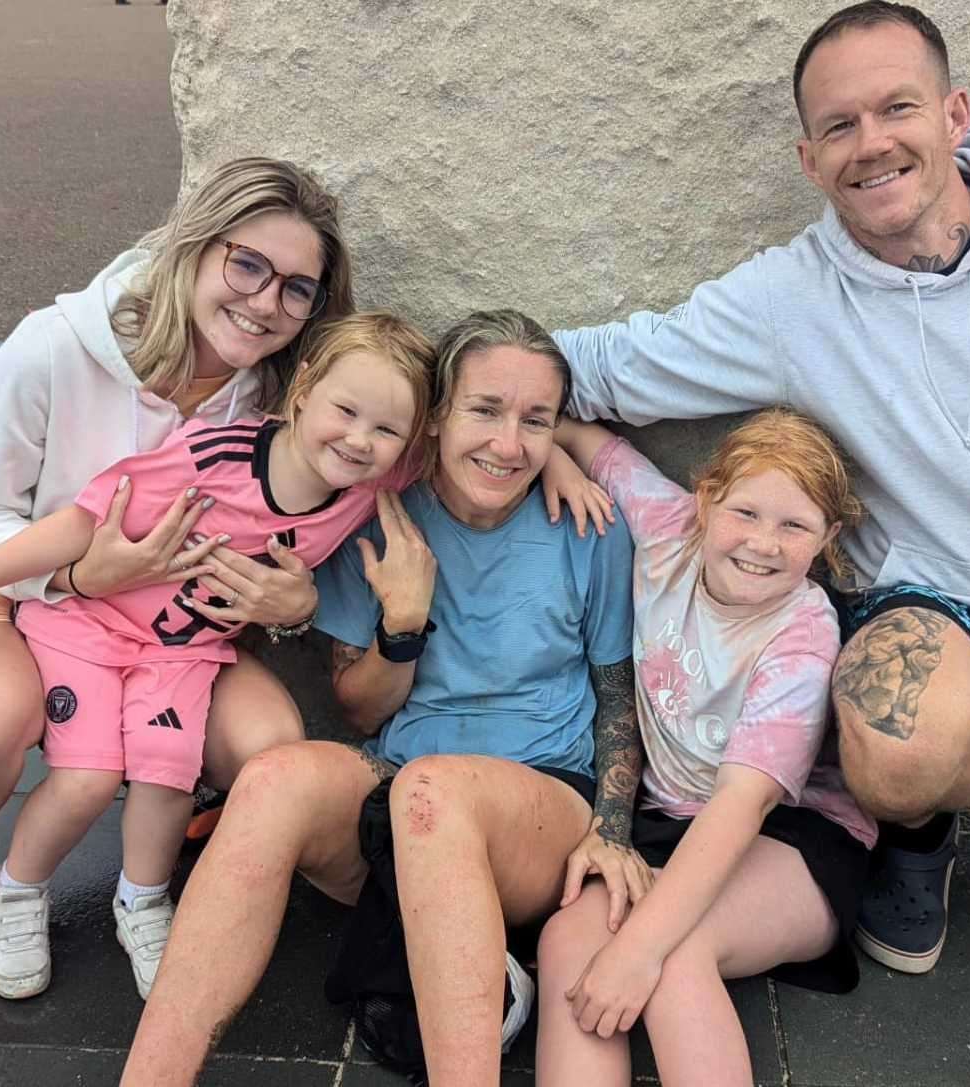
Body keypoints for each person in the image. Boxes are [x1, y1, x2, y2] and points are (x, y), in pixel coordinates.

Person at [552, 1, 970, 1021]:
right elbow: (611, 364)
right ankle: (914, 837)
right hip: (928, 608)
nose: (872, 144)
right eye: (838, 127)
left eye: (895, 107)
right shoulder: (790, 299)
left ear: (954, 112)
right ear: (810, 157)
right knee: (906, 746)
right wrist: (443, 391)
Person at [119, 310, 642, 1086]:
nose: (508, 444)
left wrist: (612, 829)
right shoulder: (377, 518)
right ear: (435, 416)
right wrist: (403, 623)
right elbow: (361, 710)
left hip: (538, 806)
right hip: (398, 792)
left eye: (536, 421)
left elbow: (617, 703)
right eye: (485, 410)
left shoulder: (586, 526)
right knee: (272, 779)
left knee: (433, 790)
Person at [0, 157, 352, 1004]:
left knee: (273, 749)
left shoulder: (284, 398)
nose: (264, 303)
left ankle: (166, 837)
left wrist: (294, 607)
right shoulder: (55, 346)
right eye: (246, 264)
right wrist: (73, 575)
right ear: (194, 247)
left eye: (297, 288)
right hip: (32, 589)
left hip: (172, 626)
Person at [0, 311, 436, 1001]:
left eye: (386, 430)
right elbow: (77, 525)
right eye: (346, 410)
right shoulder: (209, 458)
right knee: (88, 777)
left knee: (168, 775)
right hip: (88, 628)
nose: (360, 439)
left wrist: (574, 456)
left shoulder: (368, 484)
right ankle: (18, 886)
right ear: (303, 388)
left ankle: (143, 899)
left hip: (180, 654)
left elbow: (458, 441)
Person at [534, 409, 876, 1085]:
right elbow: (584, 437)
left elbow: (740, 808)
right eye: (745, 511)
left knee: (672, 949)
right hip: (667, 821)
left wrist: (637, 950)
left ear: (828, 538)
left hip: (789, 834)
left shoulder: (803, 631)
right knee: (567, 940)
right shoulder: (665, 526)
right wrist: (553, 458)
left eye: (795, 526)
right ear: (704, 498)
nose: (763, 543)